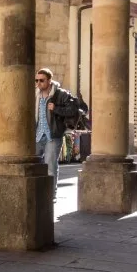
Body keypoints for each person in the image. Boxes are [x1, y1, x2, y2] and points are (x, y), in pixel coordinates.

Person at [35, 68, 79, 199]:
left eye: (41, 80)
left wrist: (56, 109)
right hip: (37, 136)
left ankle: (50, 194)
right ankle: (37, 191)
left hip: (53, 136)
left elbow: (73, 109)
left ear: (49, 80)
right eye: (36, 80)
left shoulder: (60, 94)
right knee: (32, 165)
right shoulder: (35, 94)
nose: (38, 83)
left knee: (50, 166)